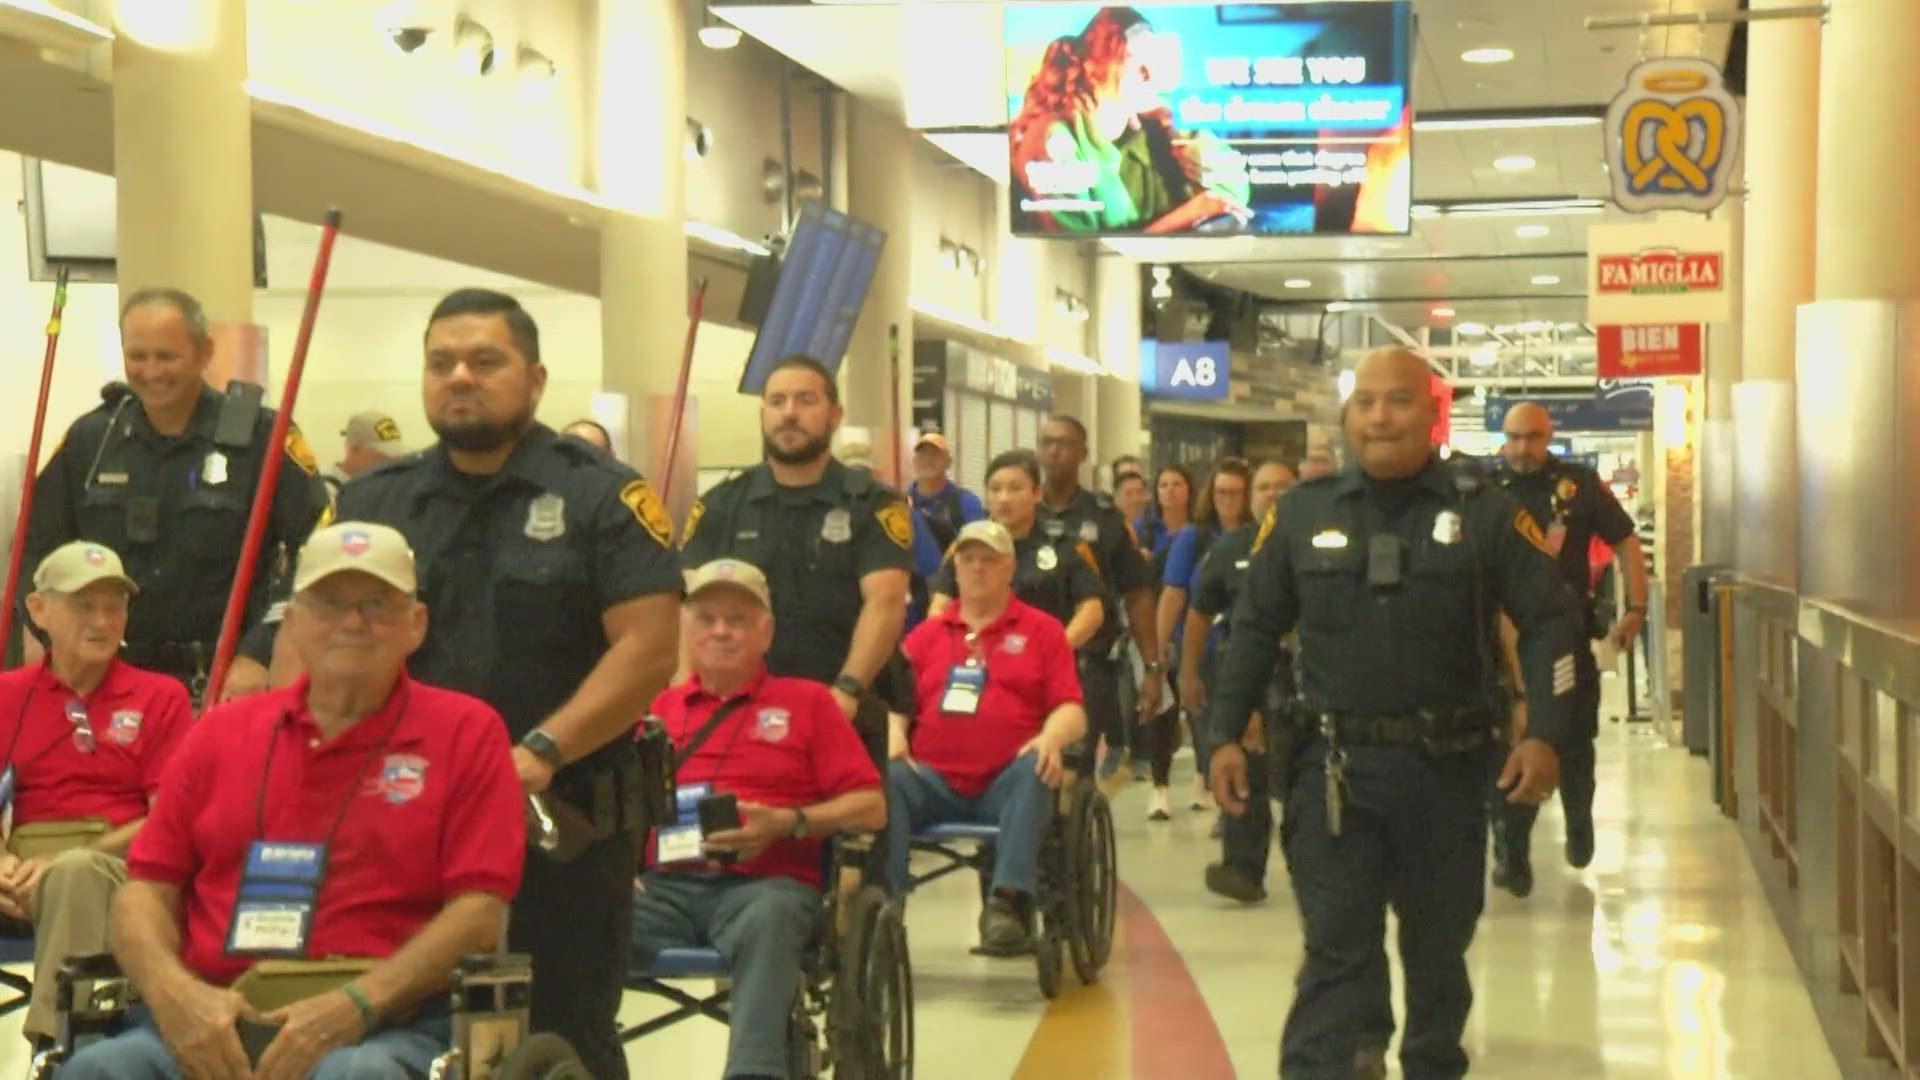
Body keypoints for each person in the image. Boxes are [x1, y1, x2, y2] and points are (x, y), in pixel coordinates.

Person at [331, 288, 682, 1079]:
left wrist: (539, 752)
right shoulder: (373, 502)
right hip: (399, 815)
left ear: (534, 379)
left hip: (561, 817)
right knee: (397, 1023)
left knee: (563, 1027)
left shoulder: (602, 495)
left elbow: (649, 649)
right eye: (441, 363)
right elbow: (311, 642)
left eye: (485, 361)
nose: (460, 377)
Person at [1208, 347, 1583, 1079]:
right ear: (1347, 417)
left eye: (1399, 401)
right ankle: (1339, 1059)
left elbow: (1549, 624)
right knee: (1336, 944)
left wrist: (1544, 734)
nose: (1380, 417)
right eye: (1365, 402)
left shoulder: (1485, 512)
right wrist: (1225, 731)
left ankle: (1429, 1060)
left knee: (1438, 948)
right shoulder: (1300, 512)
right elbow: (1252, 628)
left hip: (1446, 772)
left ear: (1433, 412)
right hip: (1333, 774)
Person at [58, 521, 527, 1079]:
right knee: (103, 1069)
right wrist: (174, 995)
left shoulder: (467, 732)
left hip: (385, 1021)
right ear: (294, 622)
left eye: (378, 603)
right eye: (329, 603)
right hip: (215, 1011)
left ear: (416, 625)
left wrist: (358, 1004)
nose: (354, 622)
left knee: (356, 1077)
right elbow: (145, 893)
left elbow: (479, 912)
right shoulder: (219, 732)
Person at [635, 559, 885, 1080]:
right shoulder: (656, 710)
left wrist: (786, 821)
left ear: (766, 631)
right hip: (665, 888)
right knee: (585, 919)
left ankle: (754, 1072)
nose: (721, 631)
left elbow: (870, 805)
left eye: (738, 619)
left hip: (766, 887)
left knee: (769, 918)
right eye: (707, 618)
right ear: (686, 628)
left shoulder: (808, 703)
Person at [19, 287, 329, 701]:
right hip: (106, 680)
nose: (151, 371)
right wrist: (59, 635)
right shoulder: (91, 440)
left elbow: (318, 553)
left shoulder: (263, 438)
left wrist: (262, 651)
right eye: (137, 356)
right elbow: (32, 550)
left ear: (205, 353)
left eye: (166, 356)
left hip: (223, 680)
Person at [680, 354, 914, 766]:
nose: (789, 413)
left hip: (842, 716)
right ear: (762, 414)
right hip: (733, 720)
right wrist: (681, 697)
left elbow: (886, 602)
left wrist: (846, 691)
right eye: (777, 401)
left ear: (835, 414)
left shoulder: (872, 505)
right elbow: (684, 609)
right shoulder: (721, 505)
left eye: (806, 400)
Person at [0, 542, 190, 1047]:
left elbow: (169, 817)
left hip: (115, 862)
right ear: (39, 611)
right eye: (85, 606)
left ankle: (59, 1045)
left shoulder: (159, 696)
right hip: (18, 862)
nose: (103, 621)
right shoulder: (7, 696)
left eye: (114, 607)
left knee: (74, 874)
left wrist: (71, 856)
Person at [886, 520, 1087, 952]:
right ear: (954, 567)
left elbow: (1071, 707)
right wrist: (894, 731)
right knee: (888, 778)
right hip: (932, 781)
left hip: (1006, 781)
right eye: (968, 558)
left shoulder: (1043, 631)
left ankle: (1007, 902)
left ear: (1009, 567)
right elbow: (893, 702)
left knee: (1038, 767)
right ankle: (886, 903)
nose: (977, 568)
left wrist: (1052, 736)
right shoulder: (924, 637)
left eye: (988, 560)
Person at [1490, 401, 1649, 895]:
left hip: (1568, 634)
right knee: (1509, 742)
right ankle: (1512, 854)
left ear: (1548, 436)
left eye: (1533, 437)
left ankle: (1578, 820)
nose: (1523, 448)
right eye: (1514, 437)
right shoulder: (1484, 492)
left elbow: (1626, 543)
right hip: (1501, 639)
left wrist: (1634, 611)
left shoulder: (1577, 487)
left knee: (1574, 740)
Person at [1182, 460, 1295, 901]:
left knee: (1299, 776)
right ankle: (1243, 868)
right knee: (1242, 767)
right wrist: (1188, 672)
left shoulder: (1320, 544)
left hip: (1303, 677)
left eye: (1282, 487)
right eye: (1264, 488)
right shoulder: (1232, 548)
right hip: (1242, 674)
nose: (1272, 495)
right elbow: (1198, 613)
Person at [1036, 415, 1158, 775]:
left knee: (1073, 766)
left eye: (1065, 444)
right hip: (1022, 660)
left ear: (1083, 454)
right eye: (1047, 443)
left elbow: (1136, 593)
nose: (1055, 451)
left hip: (1087, 663)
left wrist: (1151, 667)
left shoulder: (1103, 518)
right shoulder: (1019, 512)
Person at [1146, 459, 1249, 821]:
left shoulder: (1261, 535)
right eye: (1221, 492)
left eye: (1236, 493)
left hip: (1250, 650)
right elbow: (1172, 593)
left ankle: (1241, 808)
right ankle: (1228, 807)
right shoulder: (1195, 537)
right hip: (1202, 651)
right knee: (1209, 732)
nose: (1228, 500)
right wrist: (1156, 655)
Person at [926, 449, 1104, 646]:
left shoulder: (1065, 544)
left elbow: (1091, 609)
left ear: (1037, 493)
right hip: (978, 658)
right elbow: (940, 604)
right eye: (995, 489)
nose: (1003, 498)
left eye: (1015, 489)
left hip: (1043, 657)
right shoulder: (967, 545)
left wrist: (1057, 650)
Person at [907, 433, 984, 553]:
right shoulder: (899, 500)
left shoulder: (967, 501)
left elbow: (976, 544)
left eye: (935, 454)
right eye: (922, 454)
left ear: (948, 462)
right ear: (913, 460)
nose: (927, 459)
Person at [327, 411, 407, 502]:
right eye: (382, 457)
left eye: (396, 458)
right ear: (353, 449)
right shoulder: (326, 495)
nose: (391, 465)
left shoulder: (385, 493)